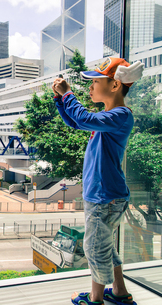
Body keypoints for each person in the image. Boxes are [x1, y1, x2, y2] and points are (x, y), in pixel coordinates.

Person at [52, 57, 143, 305]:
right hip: (106, 194)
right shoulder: (109, 116)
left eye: (95, 81)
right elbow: (75, 121)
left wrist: (68, 93)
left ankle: (96, 299)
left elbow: (83, 119)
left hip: (104, 196)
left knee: (94, 248)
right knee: (104, 247)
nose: (90, 87)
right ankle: (120, 292)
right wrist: (61, 100)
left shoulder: (120, 116)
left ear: (115, 85)